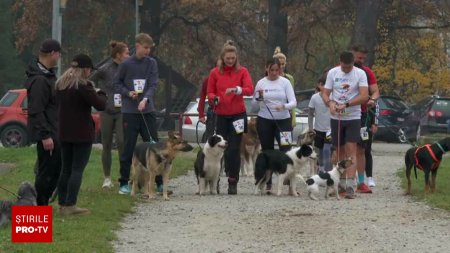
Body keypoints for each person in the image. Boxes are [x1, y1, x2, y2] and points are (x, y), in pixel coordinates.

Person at [56, 54, 107, 215]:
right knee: (77, 169)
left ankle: (62, 204)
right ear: (85, 69)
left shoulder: (61, 85)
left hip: (64, 132)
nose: (90, 72)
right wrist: (101, 92)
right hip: (82, 134)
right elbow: (100, 105)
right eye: (90, 69)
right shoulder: (84, 86)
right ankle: (71, 205)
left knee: (65, 169)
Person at [114, 33, 161, 195]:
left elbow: (154, 84)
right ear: (138, 46)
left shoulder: (152, 63)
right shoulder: (126, 64)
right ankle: (124, 183)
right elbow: (116, 83)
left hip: (147, 111)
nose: (148, 51)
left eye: (150, 48)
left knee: (154, 145)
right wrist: (128, 93)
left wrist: (146, 99)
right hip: (130, 111)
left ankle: (159, 182)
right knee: (128, 146)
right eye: (145, 48)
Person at [207, 40, 254, 195]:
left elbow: (249, 89)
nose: (230, 61)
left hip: (238, 115)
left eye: (233, 58)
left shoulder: (242, 71)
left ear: (236, 58)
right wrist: (215, 98)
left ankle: (233, 180)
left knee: (234, 148)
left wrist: (237, 89)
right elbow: (210, 92)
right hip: (221, 114)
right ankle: (216, 180)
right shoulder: (215, 73)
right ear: (222, 58)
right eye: (228, 59)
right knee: (219, 148)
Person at [321, 51, 368, 199]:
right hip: (336, 118)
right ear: (340, 62)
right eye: (344, 67)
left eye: (349, 67)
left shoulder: (360, 74)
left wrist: (346, 104)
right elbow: (325, 93)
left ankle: (350, 185)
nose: (347, 69)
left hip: (353, 117)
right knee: (339, 151)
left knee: (351, 151)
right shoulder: (333, 73)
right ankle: (339, 183)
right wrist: (330, 103)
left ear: (353, 63)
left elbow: (364, 96)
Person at [24, 39, 62, 206]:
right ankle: (40, 205)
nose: (59, 57)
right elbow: (36, 110)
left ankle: (43, 202)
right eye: (59, 53)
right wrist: (45, 136)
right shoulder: (40, 80)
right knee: (46, 171)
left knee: (54, 169)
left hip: (54, 130)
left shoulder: (48, 76)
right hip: (47, 134)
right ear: (53, 53)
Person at [251, 57, 297, 192]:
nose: (275, 73)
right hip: (265, 119)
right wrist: (258, 99)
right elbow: (254, 107)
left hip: (283, 121)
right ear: (267, 69)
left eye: (277, 70)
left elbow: (293, 102)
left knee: (286, 150)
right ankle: (267, 182)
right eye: (272, 70)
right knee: (267, 151)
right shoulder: (261, 83)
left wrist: (284, 106)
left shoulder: (285, 82)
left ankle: (288, 184)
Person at [90, 41, 129, 188]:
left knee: (121, 142)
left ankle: (123, 177)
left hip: (122, 111)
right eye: (126, 53)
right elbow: (89, 81)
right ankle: (107, 178)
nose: (129, 56)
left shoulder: (127, 69)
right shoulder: (105, 69)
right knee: (106, 144)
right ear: (118, 55)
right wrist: (98, 94)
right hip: (106, 111)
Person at [352, 45, 380, 190]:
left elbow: (375, 92)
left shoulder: (367, 72)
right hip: (345, 114)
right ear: (352, 55)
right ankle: (344, 180)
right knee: (343, 148)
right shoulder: (339, 70)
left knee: (362, 148)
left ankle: (362, 181)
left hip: (363, 114)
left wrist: (372, 100)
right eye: (359, 58)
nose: (361, 60)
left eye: (363, 58)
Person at [308, 77, 332, 172]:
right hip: (318, 129)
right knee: (319, 151)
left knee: (327, 150)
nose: (324, 87)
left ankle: (328, 171)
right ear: (319, 85)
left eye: (327, 85)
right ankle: (321, 169)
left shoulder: (333, 96)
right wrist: (310, 127)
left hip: (330, 129)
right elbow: (310, 113)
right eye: (323, 85)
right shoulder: (314, 97)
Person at [273, 46, 297, 128]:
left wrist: (293, 118)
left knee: (285, 140)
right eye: (280, 64)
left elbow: (292, 98)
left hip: (287, 115)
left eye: (283, 64)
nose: (282, 66)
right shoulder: (269, 79)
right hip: (273, 115)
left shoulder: (289, 78)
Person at [198, 76, 216, 143]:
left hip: (226, 111)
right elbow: (202, 97)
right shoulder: (208, 80)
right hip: (213, 110)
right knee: (209, 135)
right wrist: (201, 115)